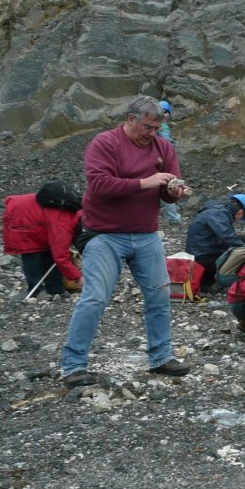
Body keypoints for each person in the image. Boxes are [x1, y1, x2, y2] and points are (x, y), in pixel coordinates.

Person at [61, 95, 193, 387]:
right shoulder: (105, 144)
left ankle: (161, 357)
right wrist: (146, 182)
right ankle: (73, 366)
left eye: (157, 128)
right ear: (131, 119)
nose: (152, 134)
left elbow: (166, 190)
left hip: (146, 234)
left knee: (160, 296)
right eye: (147, 127)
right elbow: (99, 184)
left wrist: (174, 190)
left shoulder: (162, 147)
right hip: (104, 234)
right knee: (95, 297)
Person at [2, 183, 83, 297]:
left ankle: (55, 289)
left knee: (49, 252)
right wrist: (77, 277)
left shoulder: (73, 214)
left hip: (32, 217)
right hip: (21, 219)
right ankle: (36, 290)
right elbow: (60, 257)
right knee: (31, 255)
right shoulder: (64, 225)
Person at [185, 194, 245, 292]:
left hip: (199, 254)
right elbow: (227, 237)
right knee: (240, 251)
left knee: (240, 241)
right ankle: (225, 281)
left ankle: (209, 282)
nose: (238, 221)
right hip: (202, 259)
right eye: (241, 218)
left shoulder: (215, 211)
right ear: (240, 213)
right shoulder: (219, 214)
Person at [157, 100, 183, 225]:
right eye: (164, 112)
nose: (165, 115)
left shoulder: (157, 124)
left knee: (161, 186)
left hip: (159, 159)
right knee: (168, 186)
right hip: (163, 159)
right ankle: (173, 218)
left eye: (166, 112)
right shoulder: (162, 125)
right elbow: (167, 142)